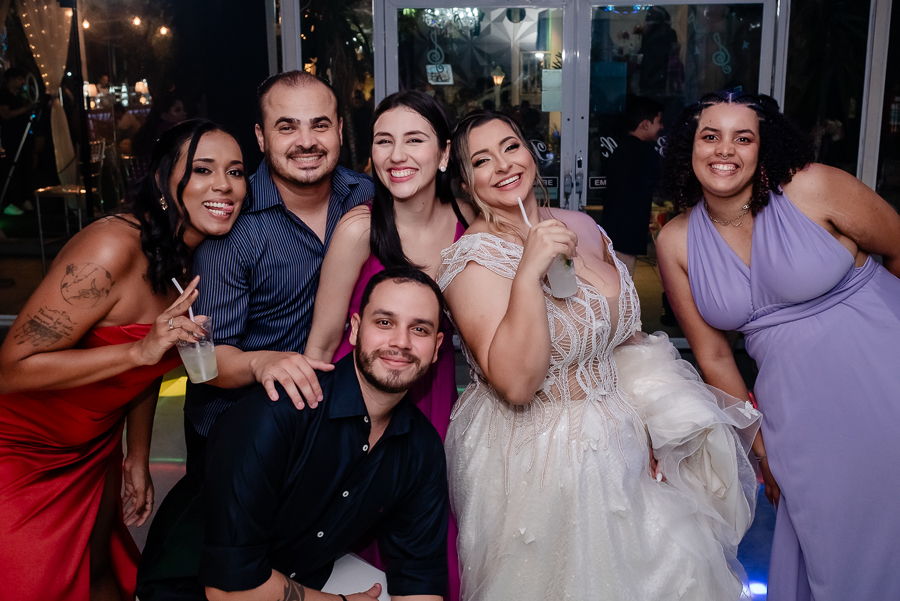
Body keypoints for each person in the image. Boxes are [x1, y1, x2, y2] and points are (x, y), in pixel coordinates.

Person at [436, 110, 762, 600]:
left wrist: (652, 423)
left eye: (511, 147)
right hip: (538, 456)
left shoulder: (581, 225)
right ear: (465, 182)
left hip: (621, 437)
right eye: (481, 160)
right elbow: (517, 384)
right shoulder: (472, 260)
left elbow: (623, 338)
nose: (503, 165)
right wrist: (528, 273)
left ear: (530, 152)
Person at [656, 90, 900, 601]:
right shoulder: (675, 239)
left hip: (882, 376)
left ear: (763, 147)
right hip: (797, 413)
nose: (725, 150)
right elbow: (714, 356)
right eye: (710, 136)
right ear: (689, 147)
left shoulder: (813, 186)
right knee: (828, 544)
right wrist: (761, 446)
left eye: (743, 138)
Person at [137, 70, 373, 592]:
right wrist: (265, 361)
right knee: (225, 580)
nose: (306, 141)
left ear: (339, 129)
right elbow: (207, 365)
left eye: (319, 125)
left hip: (332, 432)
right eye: (287, 127)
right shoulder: (231, 226)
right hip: (237, 439)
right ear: (262, 138)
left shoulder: (366, 197)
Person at [0, 118, 246, 601]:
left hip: (93, 447)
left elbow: (145, 370)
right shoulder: (111, 248)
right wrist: (138, 349)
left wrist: (137, 453)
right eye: (202, 169)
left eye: (235, 171)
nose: (223, 184)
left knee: (97, 576)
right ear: (162, 180)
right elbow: (11, 369)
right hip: (23, 450)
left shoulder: (195, 260)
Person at [139, 268, 450, 601]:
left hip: (299, 577)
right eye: (385, 322)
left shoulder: (423, 447)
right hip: (191, 590)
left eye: (419, 329)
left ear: (436, 348)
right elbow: (229, 590)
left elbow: (419, 576)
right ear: (356, 330)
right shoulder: (276, 414)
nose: (401, 342)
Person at [304, 89, 473, 600]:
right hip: (357, 408)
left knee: (428, 550)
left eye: (414, 140)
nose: (397, 155)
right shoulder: (360, 228)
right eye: (384, 141)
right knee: (352, 551)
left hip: (430, 400)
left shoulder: (470, 226)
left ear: (443, 153)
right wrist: (306, 442)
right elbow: (322, 344)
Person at [602, 95, 664, 275]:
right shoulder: (646, 154)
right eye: (659, 122)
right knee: (623, 284)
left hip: (612, 232)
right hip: (627, 236)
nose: (661, 127)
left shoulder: (620, 150)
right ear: (645, 124)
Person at [0, 67, 36, 215]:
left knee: (25, 168)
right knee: (12, 168)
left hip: (24, 137)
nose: (22, 82)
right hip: (12, 138)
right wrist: (25, 108)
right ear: (11, 79)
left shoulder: (20, 96)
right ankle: (10, 201)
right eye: (20, 79)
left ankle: (25, 199)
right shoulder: (4, 95)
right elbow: (5, 114)